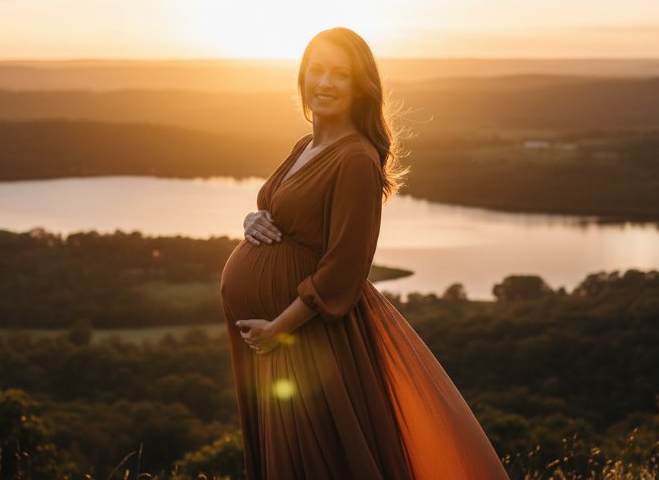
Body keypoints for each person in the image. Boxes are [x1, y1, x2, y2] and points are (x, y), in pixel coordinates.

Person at [219, 27, 510, 480]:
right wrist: (251, 218)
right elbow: (277, 207)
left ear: (361, 87)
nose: (325, 83)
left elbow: (345, 268)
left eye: (341, 74)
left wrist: (279, 328)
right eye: (317, 70)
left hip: (307, 338)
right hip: (278, 342)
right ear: (302, 77)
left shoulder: (356, 157)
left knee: (316, 462)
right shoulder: (307, 144)